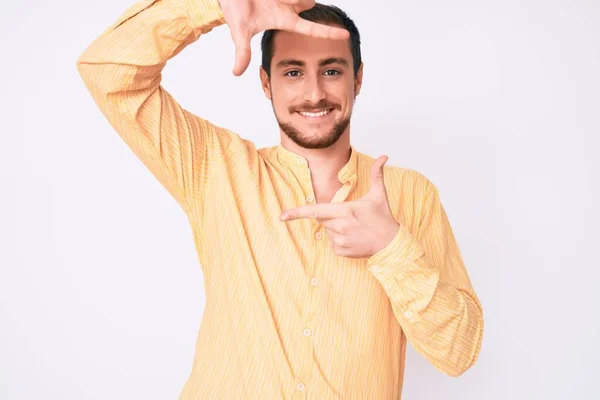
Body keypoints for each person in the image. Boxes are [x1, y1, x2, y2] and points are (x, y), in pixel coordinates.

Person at [76, 0, 484, 398]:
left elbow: (458, 353)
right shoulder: (214, 168)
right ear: (266, 82)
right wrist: (212, 6)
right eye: (293, 72)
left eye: (331, 70)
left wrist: (391, 248)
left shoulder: (412, 195)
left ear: (357, 79)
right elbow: (106, 71)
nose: (314, 93)